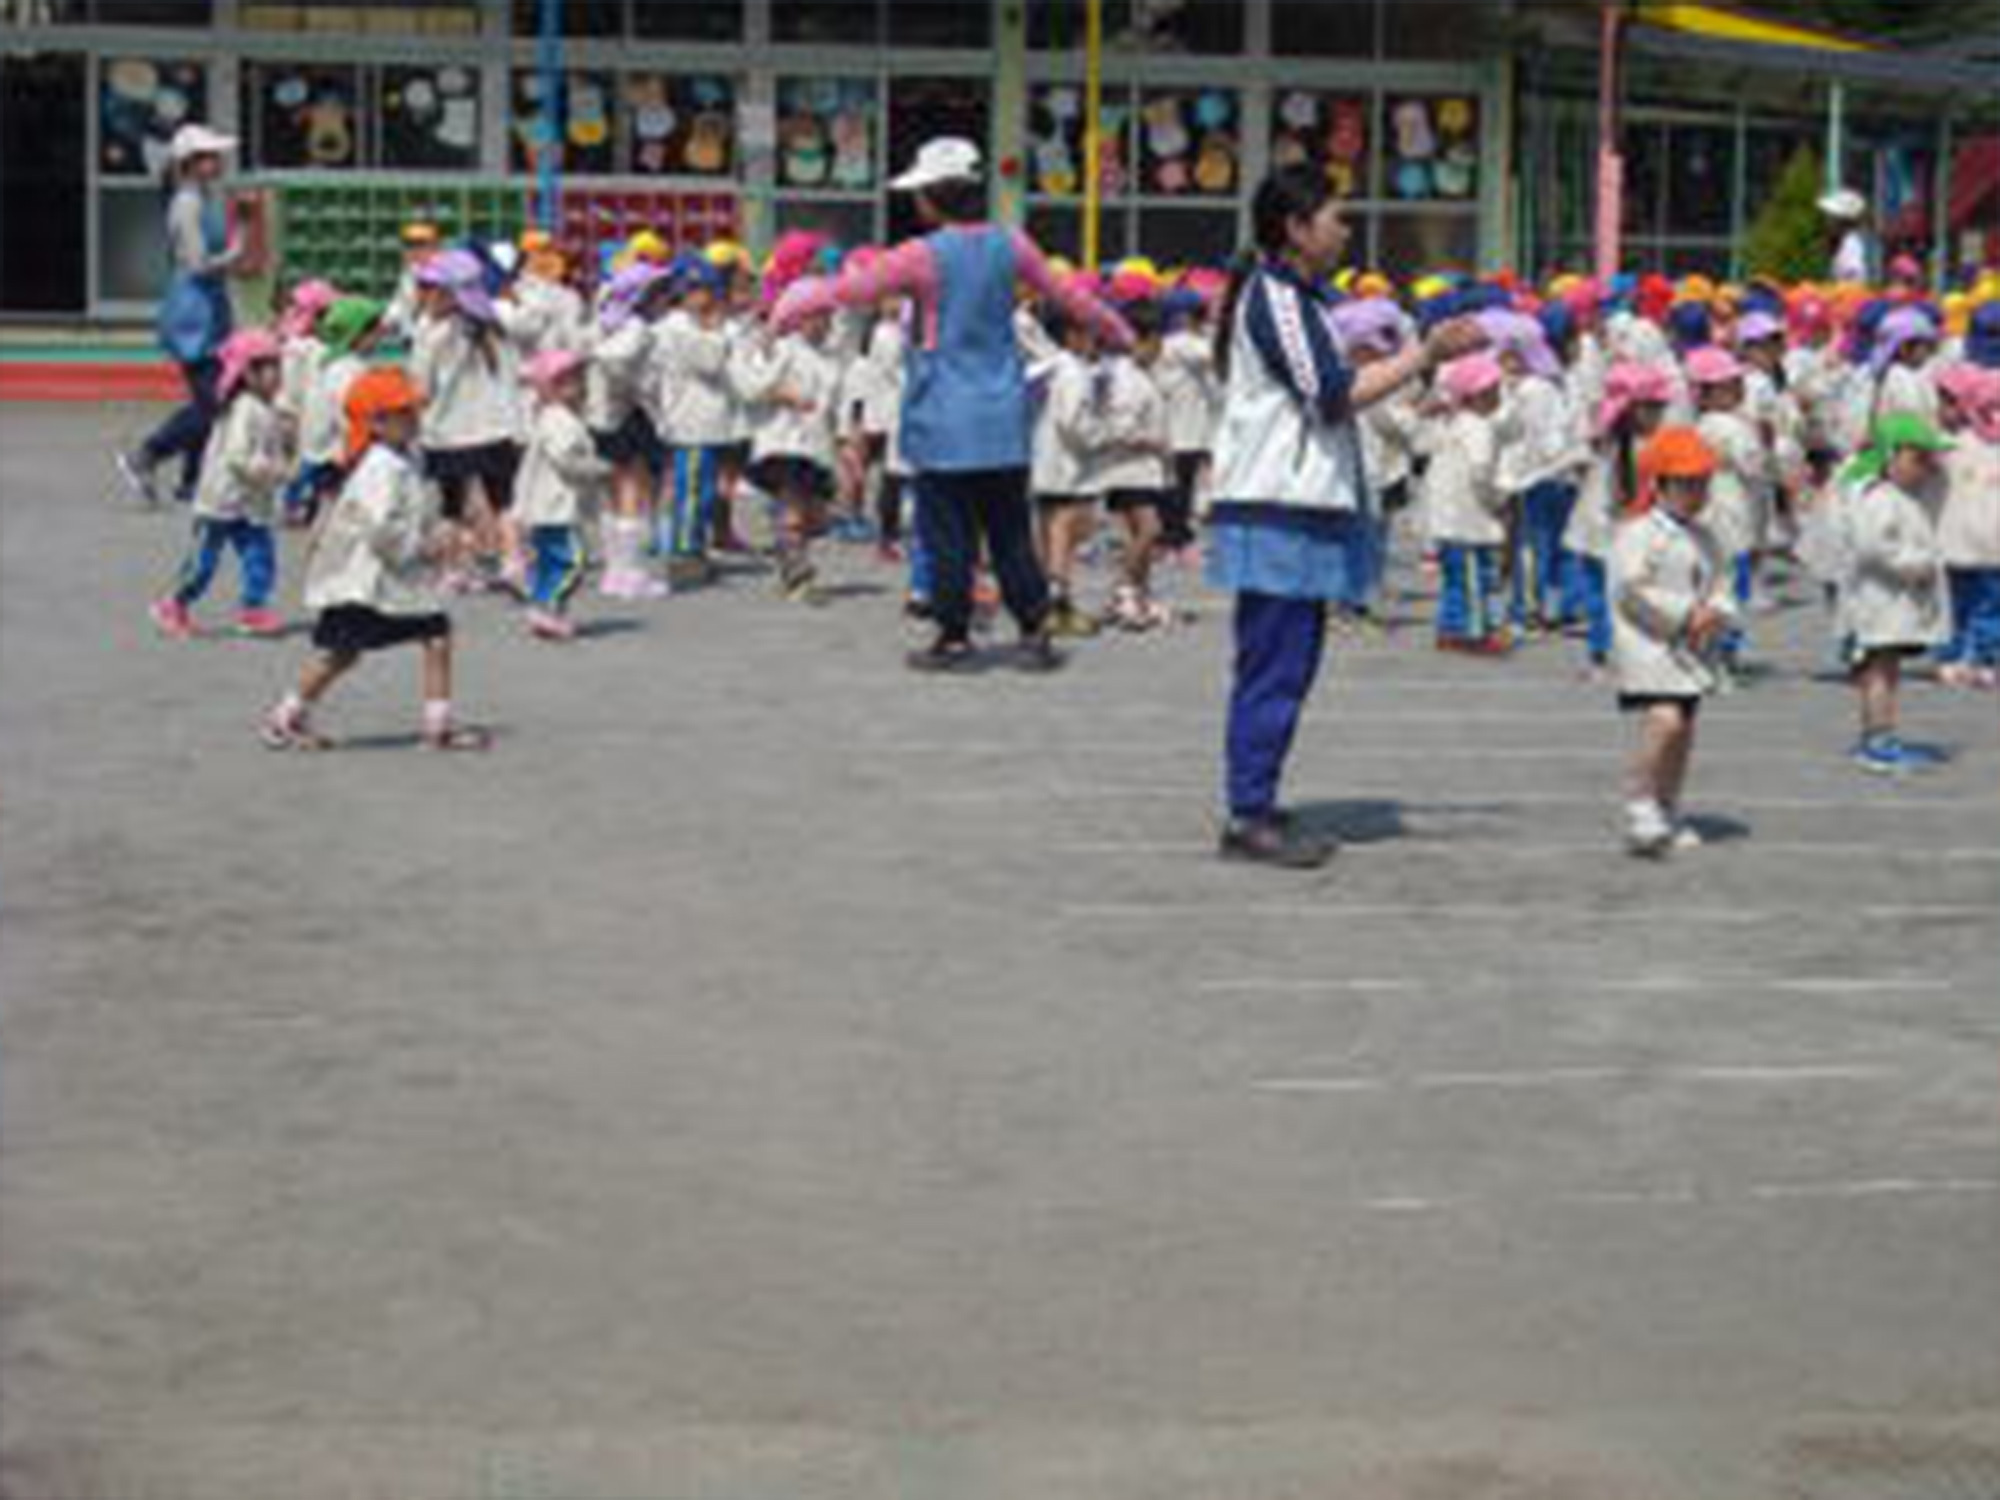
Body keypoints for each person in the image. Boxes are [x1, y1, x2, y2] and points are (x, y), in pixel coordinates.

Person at [1204, 166, 1485, 868]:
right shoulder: (1275, 299)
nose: (1346, 230)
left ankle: (1258, 800)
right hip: (1277, 507)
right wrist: (1425, 353)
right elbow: (1331, 395)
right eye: (1336, 217)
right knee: (1275, 665)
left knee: (1286, 664)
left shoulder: (1297, 298)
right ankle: (1248, 814)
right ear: (1296, 229)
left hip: (1295, 505)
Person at [771, 135, 1134, 672]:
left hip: (942, 421)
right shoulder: (1012, 245)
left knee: (947, 536)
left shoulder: (921, 255)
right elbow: (1070, 298)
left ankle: (955, 635)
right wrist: (1120, 332)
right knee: (1010, 532)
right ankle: (1035, 631)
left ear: (931, 199)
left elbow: (851, 291)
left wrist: (785, 307)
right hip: (1003, 420)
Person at [261, 367, 488, 753]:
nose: (413, 419)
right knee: (350, 651)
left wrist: (442, 533)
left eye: (413, 410)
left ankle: (436, 726)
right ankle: (285, 717)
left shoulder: (398, 459)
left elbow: (406, 514)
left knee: (392, 643)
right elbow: (381, 528)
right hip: (363, 583)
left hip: (371, 581)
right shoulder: (382, 466)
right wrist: (426, 547)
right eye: (402, 413)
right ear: (376, 423)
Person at [1609, 427, 1737, 857]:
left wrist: (1718, 609)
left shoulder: (1705, 535)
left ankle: (1668, 805)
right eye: (1685, 483)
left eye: (1702, 482)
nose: (1696, 492)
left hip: (1692, 650)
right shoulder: (1639, 532)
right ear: (1658, 483)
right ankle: (1640, 801)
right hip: (1648, 647)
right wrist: (1685, 612)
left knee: (1683, 731)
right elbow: (1630, 588)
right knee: (1665, 721)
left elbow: (1722, 579)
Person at [119, 123, 247, 508]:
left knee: (209, 398)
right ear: (193, 164)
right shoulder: (188, 203)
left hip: (204, 308)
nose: (221, 161)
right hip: (195, 312)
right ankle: (148, 454)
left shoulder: (198, 197)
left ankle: (193, 482)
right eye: (212, 156)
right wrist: (237, 252)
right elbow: (197, 264)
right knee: (214, 403)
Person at [150, 329, 290, 640]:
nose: (279, 375)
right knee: (203, 563)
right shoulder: (243, 408)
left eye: (279, 367)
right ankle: (173, 605)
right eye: (271, 368)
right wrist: (274, 470)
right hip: (221, 502)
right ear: (248, 373)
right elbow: (239, 457)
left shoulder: (265, 408)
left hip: (251, 503)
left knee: (260, 556)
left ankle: (253, 609)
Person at [1839, 413, 1954, 774]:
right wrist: (1916, 564)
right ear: (1890, 457)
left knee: (1887, 671)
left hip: (1893, 604)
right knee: (1880, 672)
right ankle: (1877, 740)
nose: (1924, 468)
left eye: (1927, 459)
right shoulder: (1879, 497)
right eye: (1916, 458)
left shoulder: (1899, 495)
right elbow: (1873, 547)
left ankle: (1882, 734)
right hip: (1881, 603)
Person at [410, 247, 528, 593]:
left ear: (451, 292)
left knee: (451, 506)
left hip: (447, 432)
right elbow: (510, 378)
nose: (424, 294)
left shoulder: (432, 335)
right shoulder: (494, 329)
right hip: (495, 428)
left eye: (431, 287)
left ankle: (454, 570)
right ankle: (513, 562)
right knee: (502, 500)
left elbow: (421, 386)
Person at [1569, 361, 1673, 676]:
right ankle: (1613, 652)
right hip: (1615, 536)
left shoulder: (1606, 442)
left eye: (1660, 406)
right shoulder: (1635, 447)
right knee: (1619, 598)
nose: (1659, 413)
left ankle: (1603, 653)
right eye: (1652, 407)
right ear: (1632, 410)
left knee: (1603, 597)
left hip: (1595, 534)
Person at [515, 348, 610, 641]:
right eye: (568, 382)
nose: (579, 388)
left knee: (549, 561)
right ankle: (550, 607)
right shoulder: (559, 420)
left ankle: (543, 607)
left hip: (546, 506)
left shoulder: (553, 416)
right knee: (572, 561)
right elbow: (564, 459)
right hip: (557, 506)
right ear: (550, 388)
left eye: (579, 380)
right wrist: (597, 468)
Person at [1425, 353, 1511, 657]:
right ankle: (1474, 631)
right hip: (1469, 520)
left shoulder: (1450, 423)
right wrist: (1499, 500)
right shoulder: (1478, 427)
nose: (1500, 395)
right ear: (1479, 395)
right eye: (1495, 389)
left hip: (1447, 519)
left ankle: (1450, 628)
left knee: (1454, 579)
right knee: (1473, 578)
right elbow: (1481, 472)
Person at [1934, 364, 2000, 689]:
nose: (1940, 410)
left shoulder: (1954, 444)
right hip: (1960, 541)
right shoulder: (1947, 443)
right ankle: (1958, 656)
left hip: (1982, 543)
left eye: (1948, 402)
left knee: (1984, 604)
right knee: (1961, 603)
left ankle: (1979, 657)